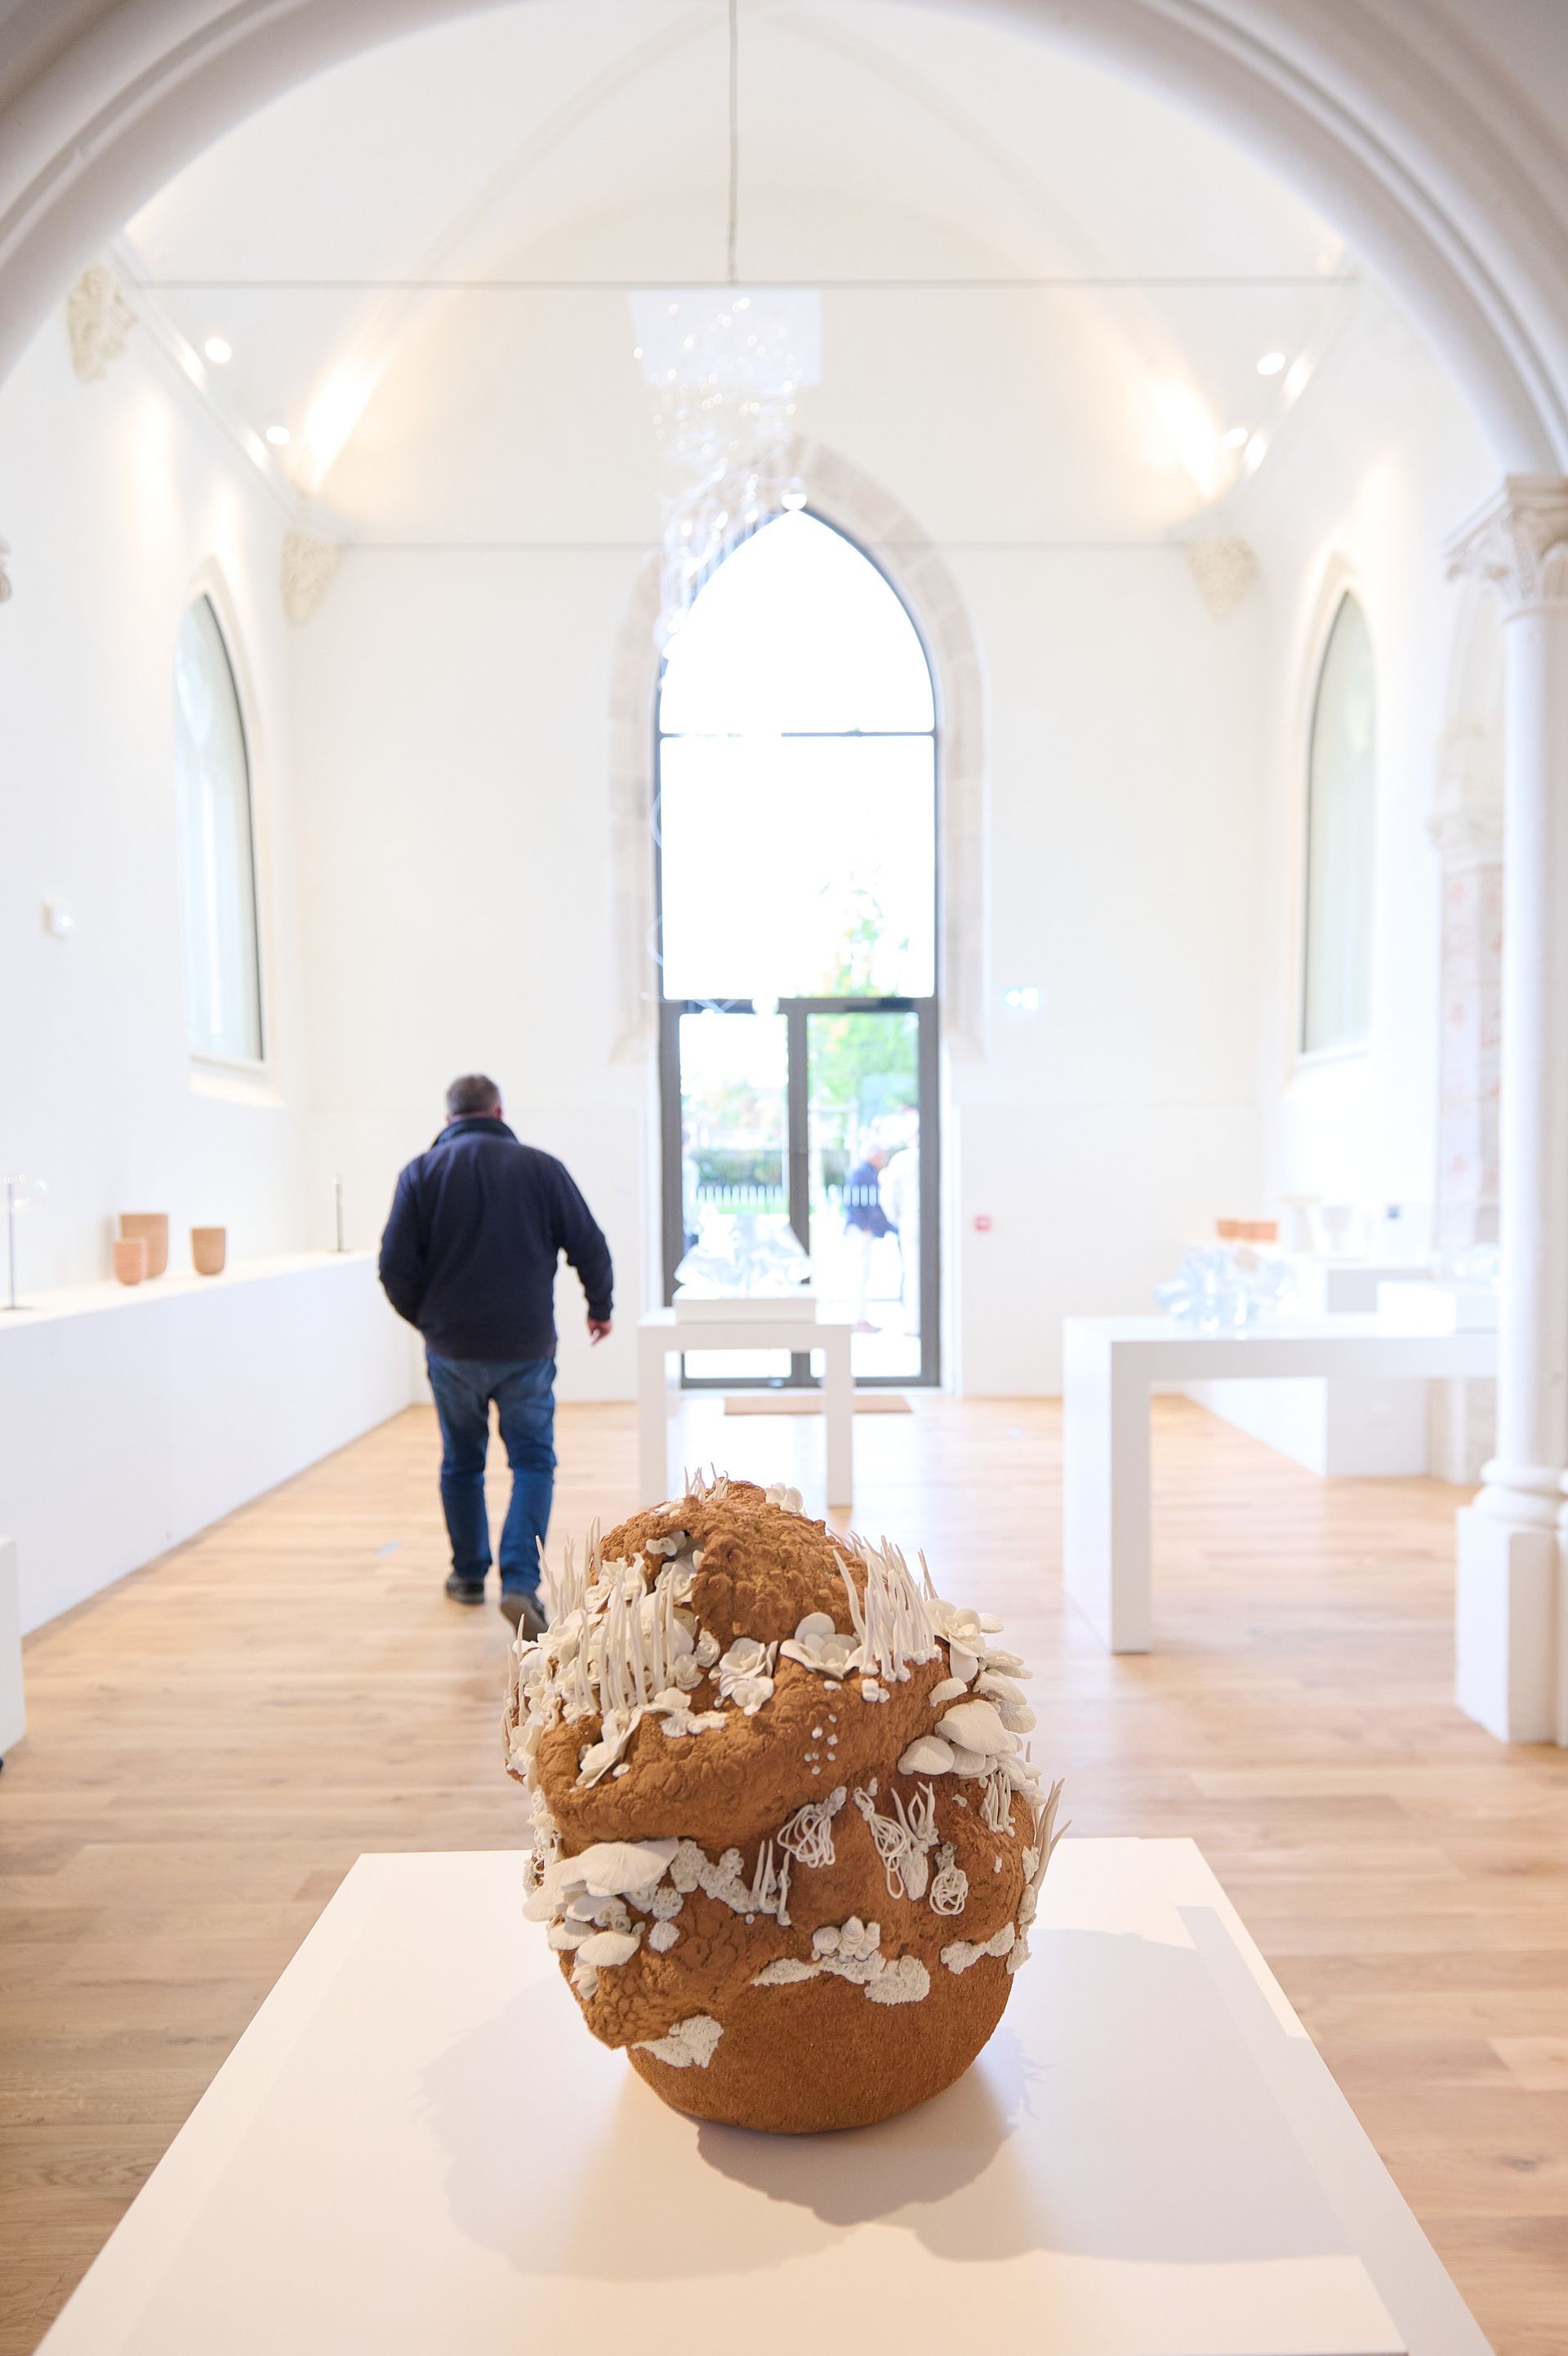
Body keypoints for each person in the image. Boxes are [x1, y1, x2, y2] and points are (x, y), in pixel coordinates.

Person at [378, 1074, 612, 1634]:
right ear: (499, 1111)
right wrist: (599, 1307)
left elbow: (393, 1267)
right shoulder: (542, 1168)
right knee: (532, 1461)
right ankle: (519, 1583)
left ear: (448, 1119)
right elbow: (590, 1244)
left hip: (452, 1350)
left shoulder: (420, 1173)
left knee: (462, 1461)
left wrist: (429, 1322)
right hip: (526, 1347)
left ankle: (466, 1576)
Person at [843, 1142, 894, 1333]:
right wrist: (864, 1225)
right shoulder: (862, 1174)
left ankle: (860, 1318)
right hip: (860, 1231)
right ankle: (858, 1319)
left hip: (863, 1230)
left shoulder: (868, 1173)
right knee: (860, 1274)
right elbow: (851, 1202)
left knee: (862, 1273)